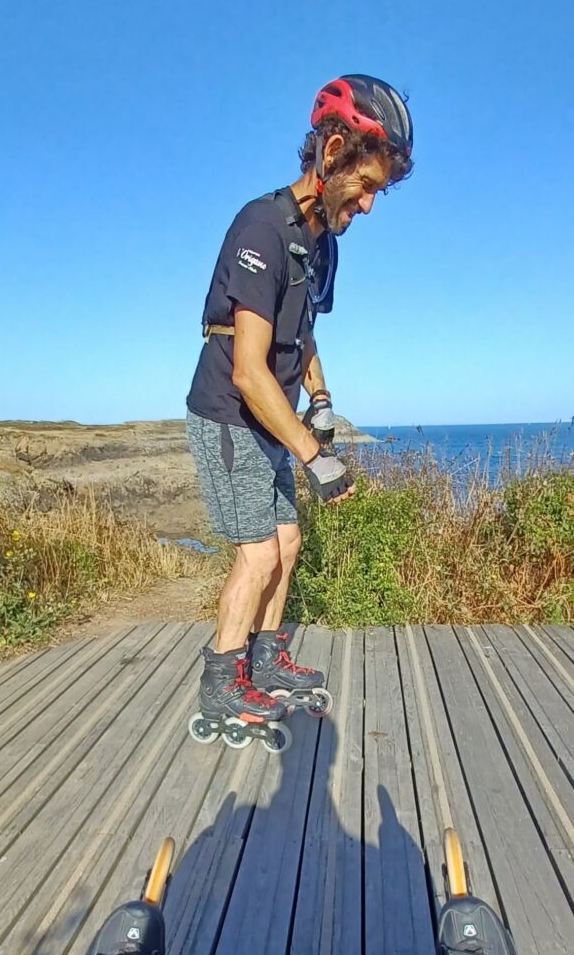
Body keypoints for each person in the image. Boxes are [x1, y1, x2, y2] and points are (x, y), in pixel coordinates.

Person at [185, 75, 413, 731]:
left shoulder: (322, 245)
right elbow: (251, 372)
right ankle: (222, 684)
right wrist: (316, 455)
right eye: (366, 186)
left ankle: (267, 655)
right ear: (333, 149)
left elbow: (303, 329)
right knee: (256, 554)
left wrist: (320, 396)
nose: (369, 205)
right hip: (230, 413)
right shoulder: (261, 226)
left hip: (273, 417)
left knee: (285, 542)